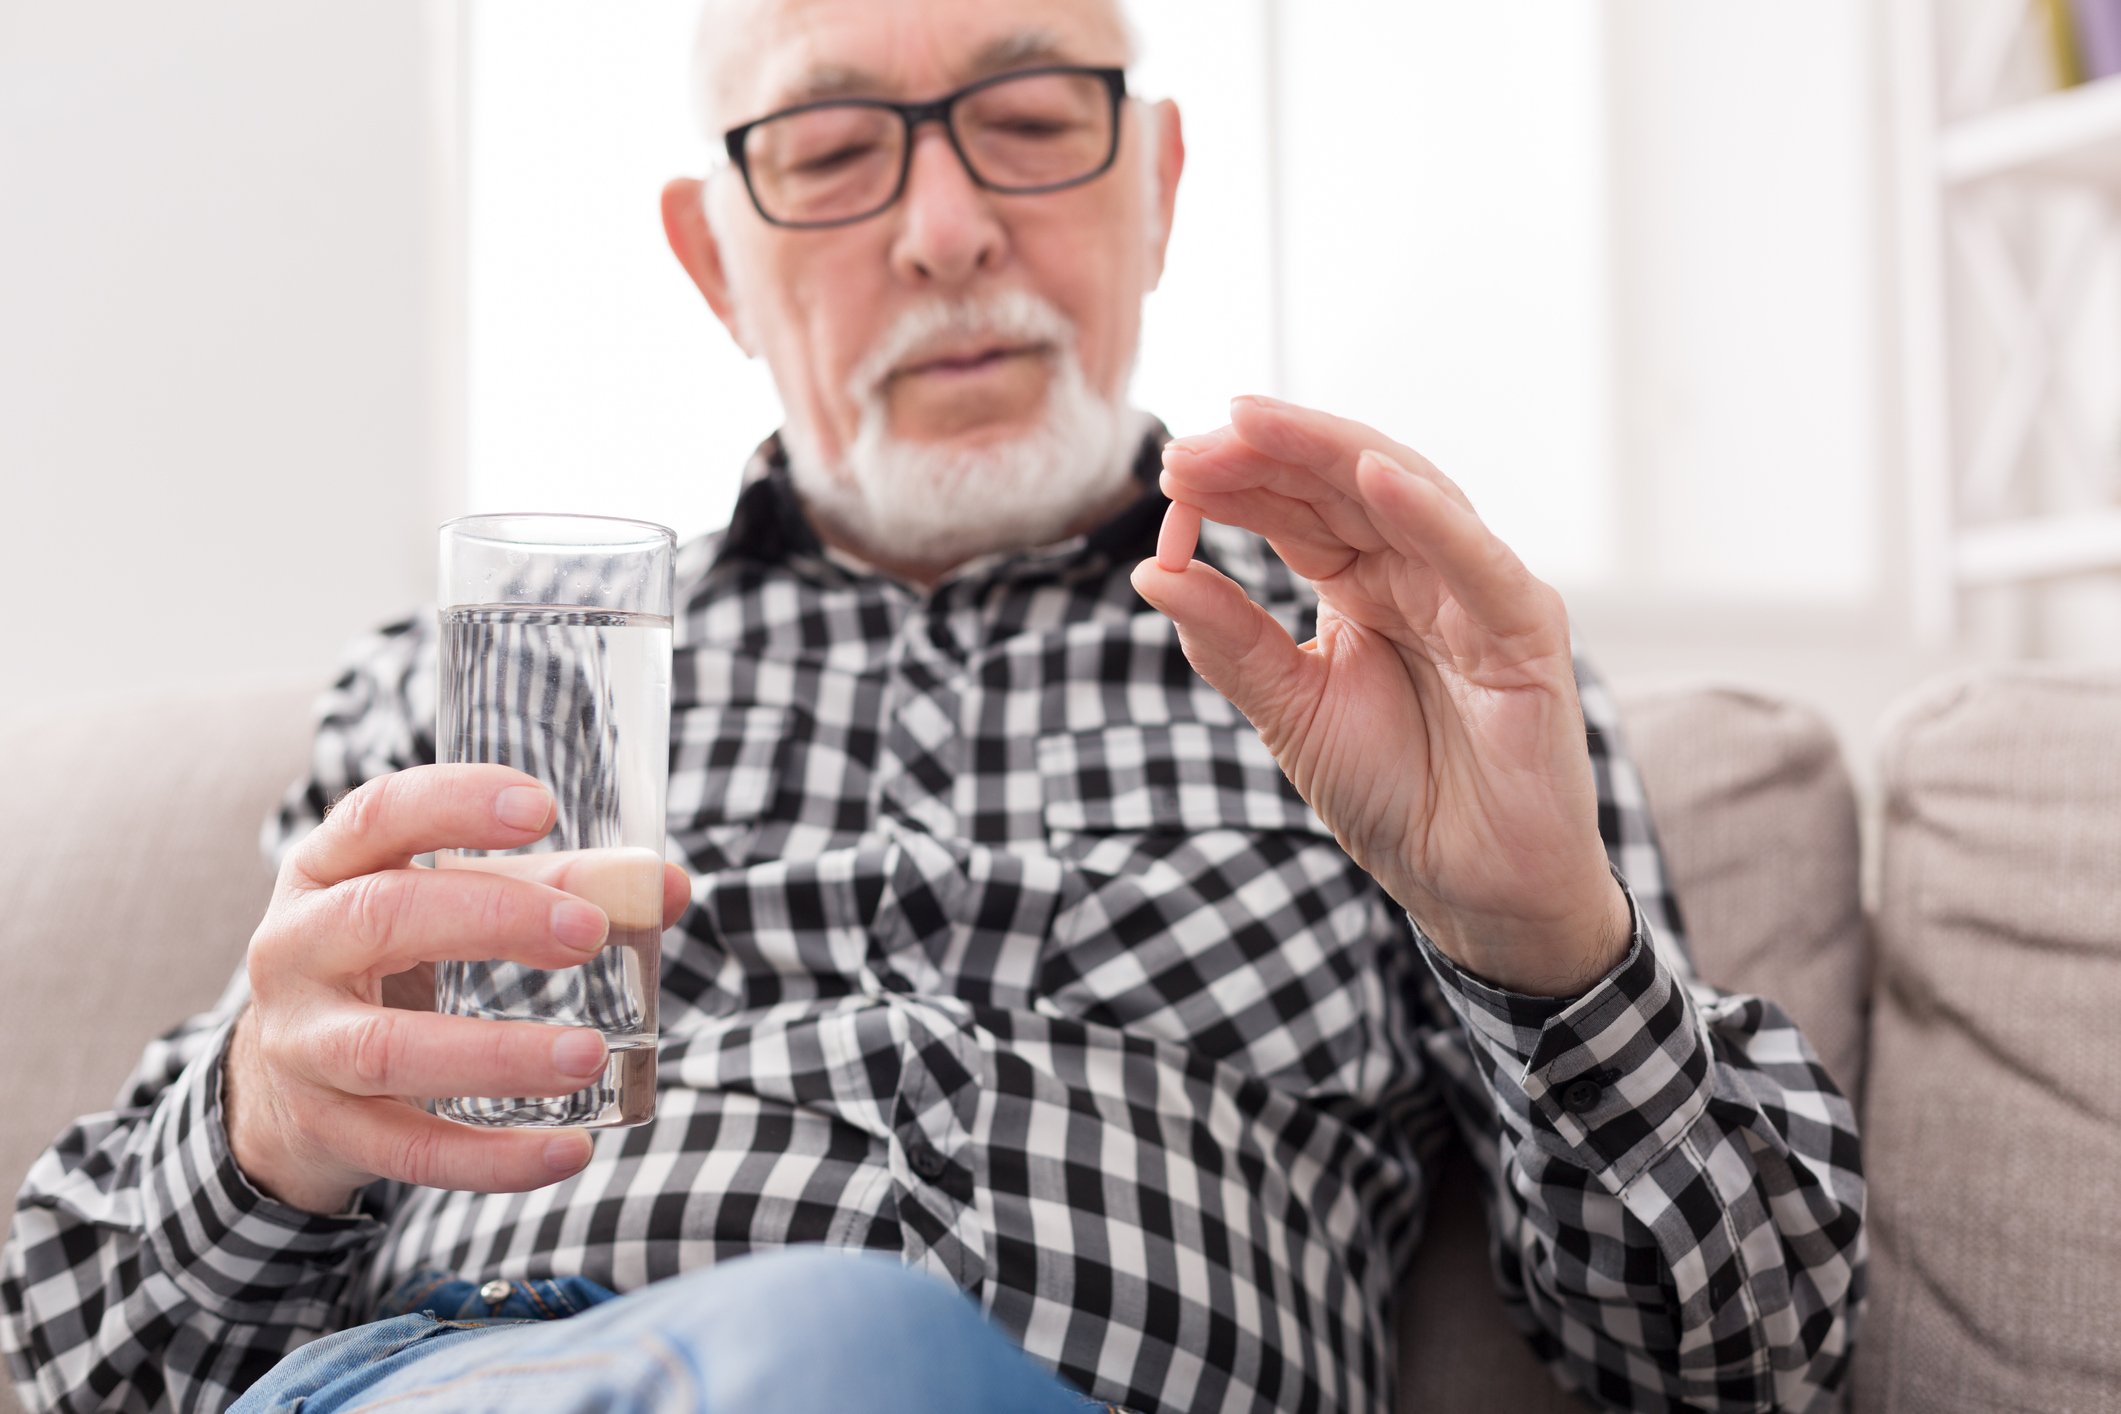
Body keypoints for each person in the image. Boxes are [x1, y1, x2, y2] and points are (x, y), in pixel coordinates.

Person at [1, 0, 1866, 1410]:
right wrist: (258, 1118)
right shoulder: (502, 676)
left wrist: (1548, 944)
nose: (949, 228)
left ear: (1159, 191)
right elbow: (62, 1348)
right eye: (828, 153)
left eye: (1036, 120)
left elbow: (1758, 1366)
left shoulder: (1398, 670)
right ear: (711, 254)